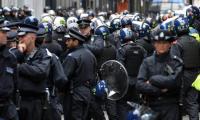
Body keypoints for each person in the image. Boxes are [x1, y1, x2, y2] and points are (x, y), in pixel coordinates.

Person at [136, 29, 183, 120]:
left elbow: (175, 82)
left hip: (171, 106)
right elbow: (139, 85)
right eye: (158, 42)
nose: (161, 46)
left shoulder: (176, 62)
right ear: (154, 44)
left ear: (170, 44)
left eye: (164, 42)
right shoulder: (147, 62)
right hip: (152, 106)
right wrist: (159, 90)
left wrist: (153, 80)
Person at [13, 23, 52, 120]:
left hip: (35, 102)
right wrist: (19, 54)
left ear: (33, 37)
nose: (20, 39)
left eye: (23, 36)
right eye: (19, 37)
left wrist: (19, 67)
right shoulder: (16, 53)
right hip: (17, 101)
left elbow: (40, 72)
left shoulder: (43, 54)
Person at [62, 28, 97, 120]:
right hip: (87, 93)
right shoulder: (90, 55)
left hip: (73, 94)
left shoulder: (72, 57)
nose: (66, 43)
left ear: (76, 41)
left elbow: (63, 78)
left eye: (69, 40)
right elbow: (94, 76)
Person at [171, 17, 200, 120]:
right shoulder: (196, 41)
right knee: (192, 102)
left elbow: (174, 64)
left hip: (183, 76)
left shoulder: (177, 44)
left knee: (177, 102)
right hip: (196, 76)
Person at [116, 28, 147, 120]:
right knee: (136, 104)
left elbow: (119, 67)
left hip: (126, 83)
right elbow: (145, 66)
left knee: (122, 104)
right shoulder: (142, 49)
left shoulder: (122, 49)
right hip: (138, 81)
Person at [0, 18, 19, 120]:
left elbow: (15, 82)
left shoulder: (10, 57)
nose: (6, 35)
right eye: (3, 32)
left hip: (8, 108)